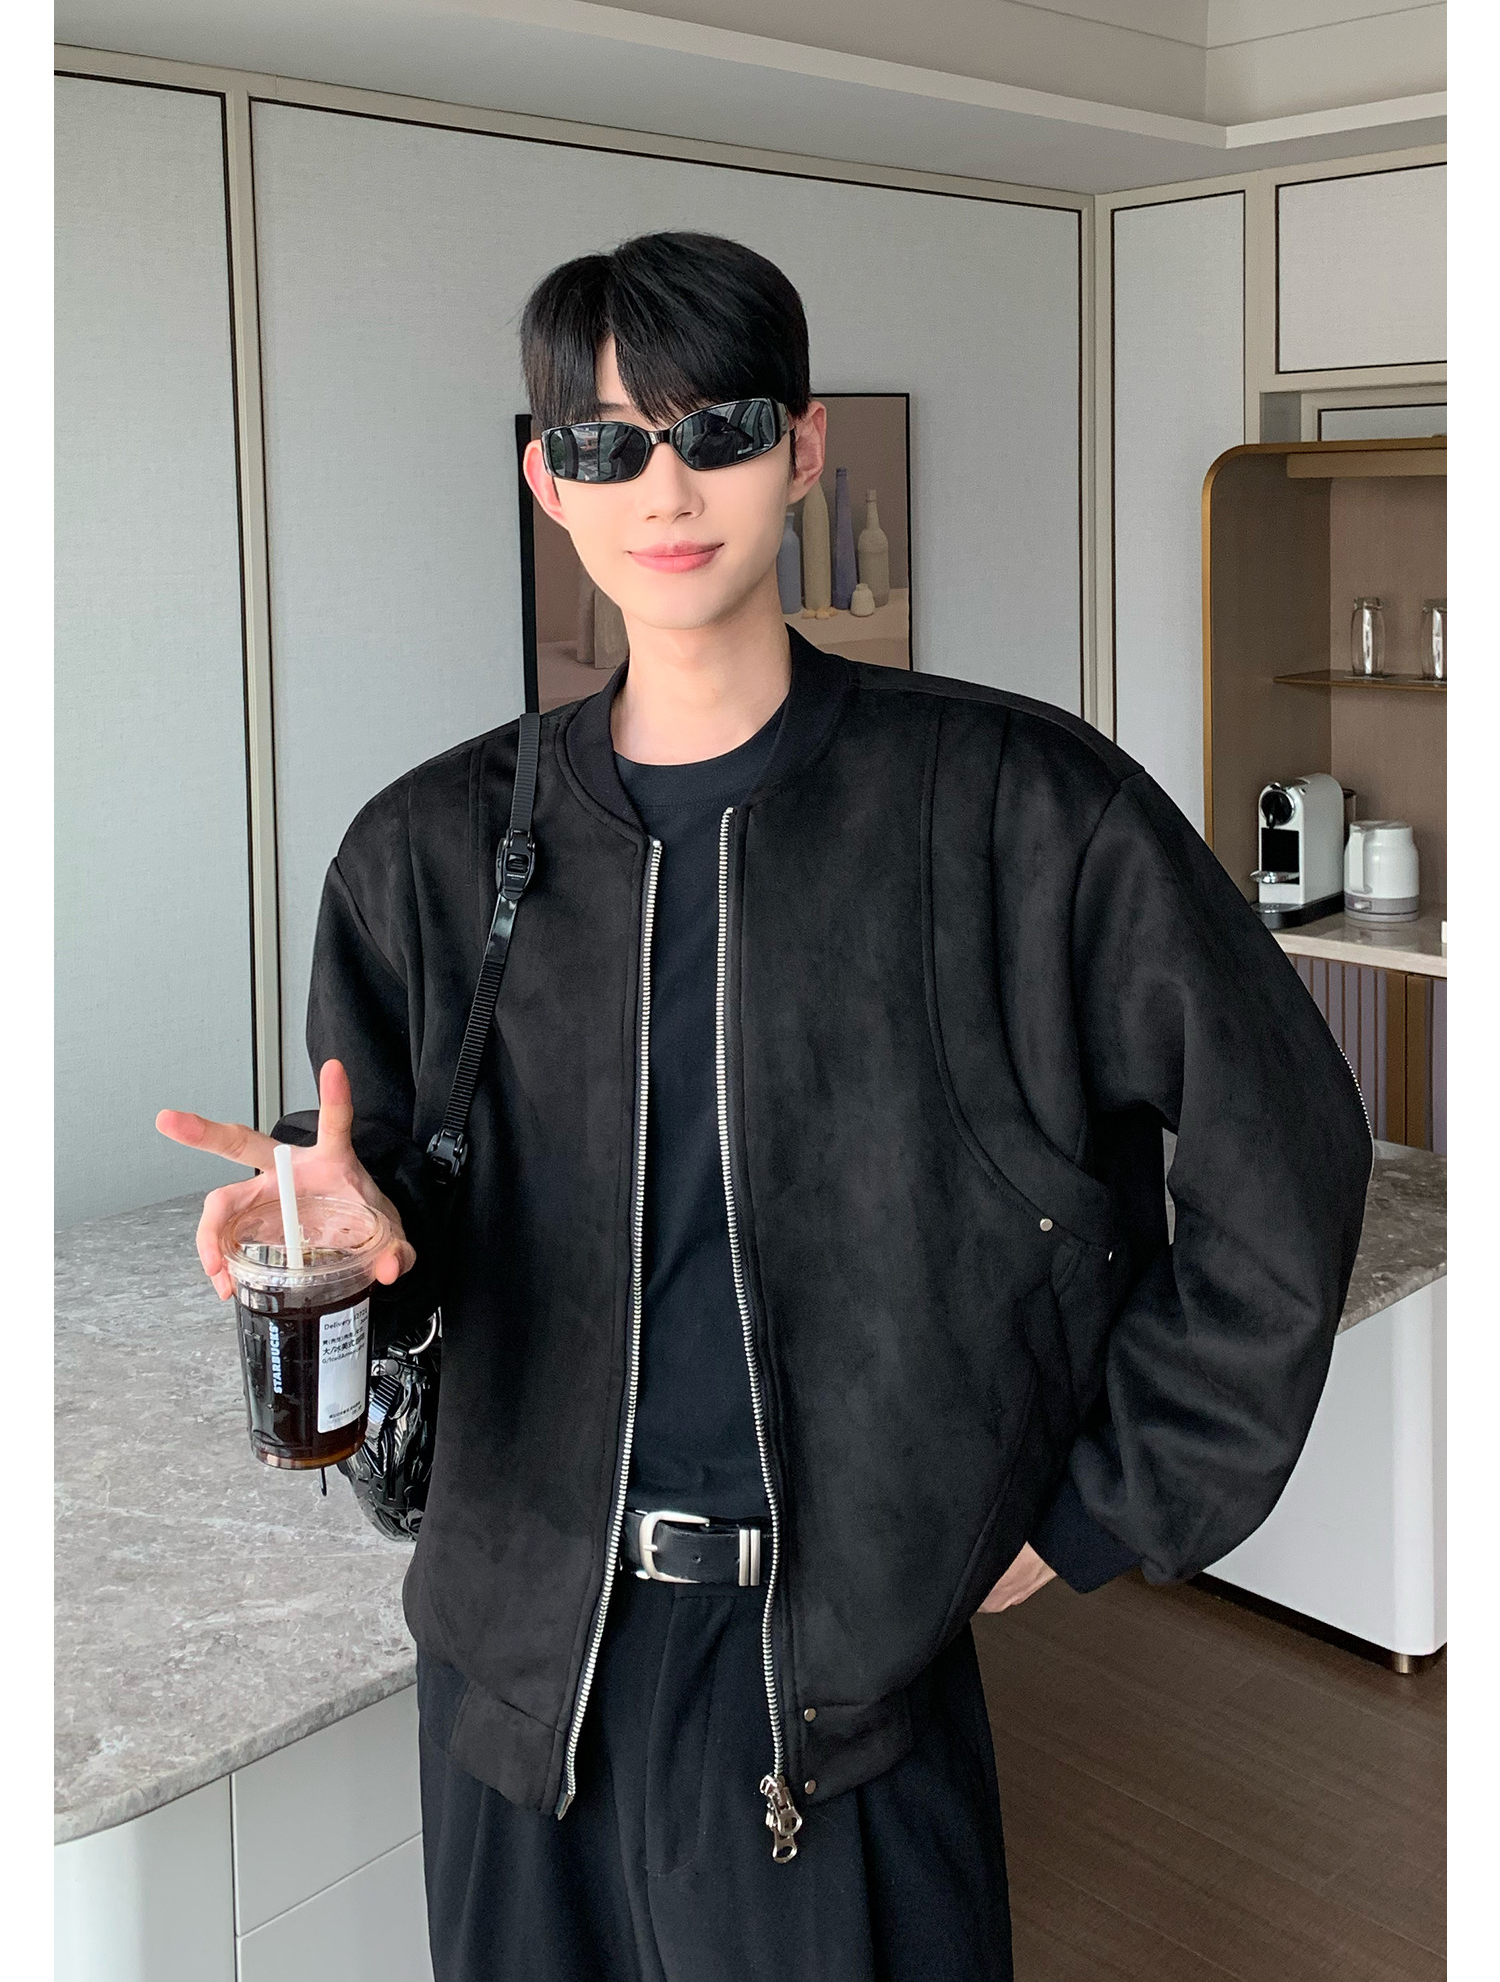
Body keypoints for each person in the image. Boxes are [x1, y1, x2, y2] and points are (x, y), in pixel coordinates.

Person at [158, 229, 1373, 1982]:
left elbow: (1287, 1154)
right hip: (514, 1676)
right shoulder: (428, 852)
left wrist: (1098, 1508)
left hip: (847, 1683)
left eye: (713, 429)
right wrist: (359, 1241)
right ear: (546, 481)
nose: (663, 487)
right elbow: (406, 1220)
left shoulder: (1018, 812)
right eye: (604, 444)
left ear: (803, 450)